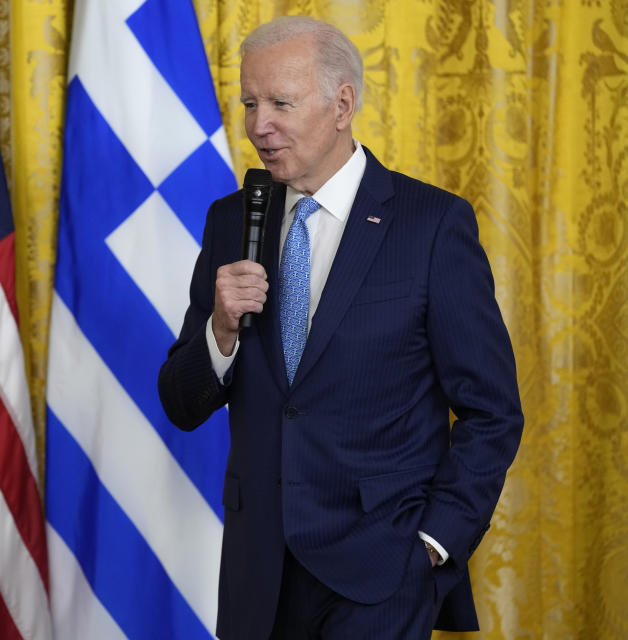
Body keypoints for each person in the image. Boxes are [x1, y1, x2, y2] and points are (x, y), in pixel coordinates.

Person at [158, 15, 523, 640]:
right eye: (249, 103)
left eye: (280, 103)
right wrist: (220, 329)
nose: (258, 126)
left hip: (383, 575)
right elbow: (182, 403)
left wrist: (433, 546)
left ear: (342, 104)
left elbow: (492, 412)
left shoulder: (431, 225)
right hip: (259, 577)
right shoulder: (229, 220)